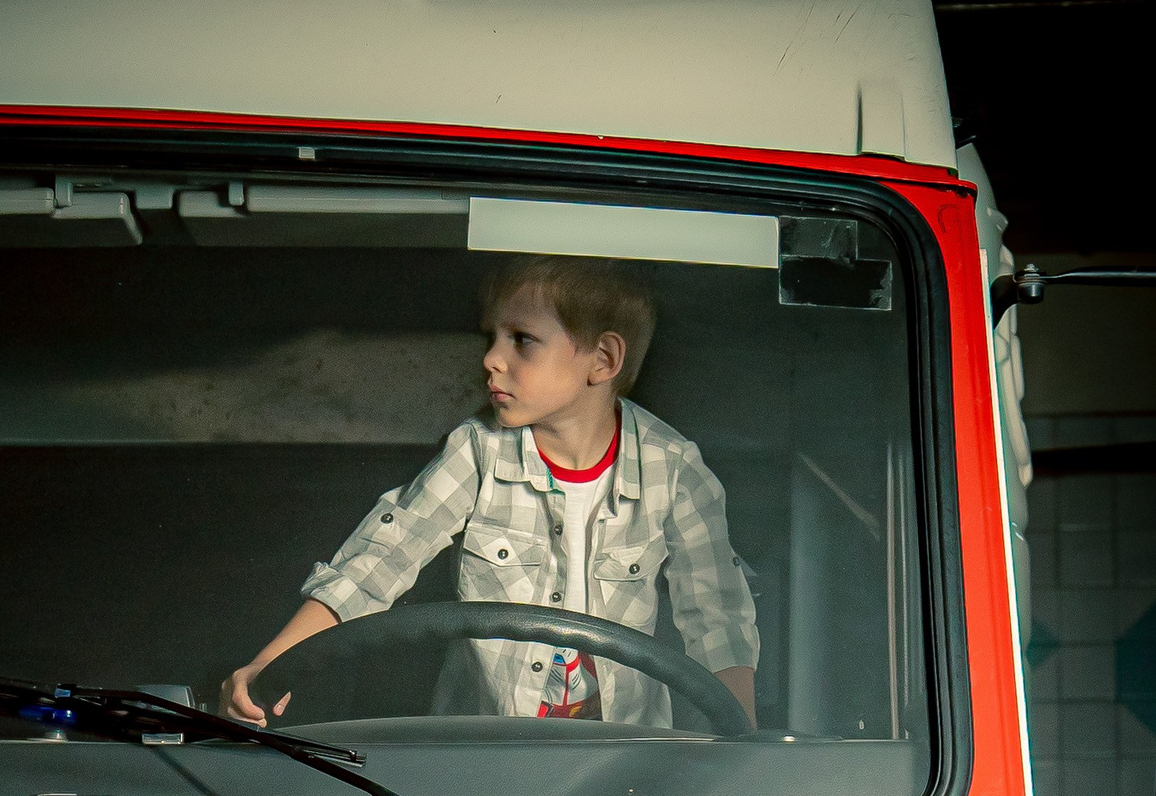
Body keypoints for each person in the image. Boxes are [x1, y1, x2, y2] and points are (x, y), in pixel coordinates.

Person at [224, 256, 758, 730]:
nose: (491, 359)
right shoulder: (477, 451)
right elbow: (378, 562)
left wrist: (742, 738)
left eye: (522, 340)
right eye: (491, 339)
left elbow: (717, 615)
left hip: (623, 754)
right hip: (483, 750)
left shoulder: (673, 467)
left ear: (602, 359)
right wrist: (270, 663)